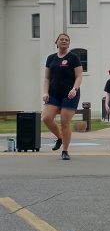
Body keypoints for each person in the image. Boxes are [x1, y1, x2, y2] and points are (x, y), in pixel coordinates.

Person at [42, 32, 83, 160]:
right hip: (54, 93)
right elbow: (47, 78)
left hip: (70, 94)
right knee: (46, 118)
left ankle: (65, 150)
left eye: (66, 40)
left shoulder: (73, 57)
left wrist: (74, 89)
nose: (64, 41)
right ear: (57, 42)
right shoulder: (51, 58)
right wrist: (45, 92)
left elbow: (79, 76)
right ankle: (60, 138)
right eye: (62, 39)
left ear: (69, 43)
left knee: (65, 122)